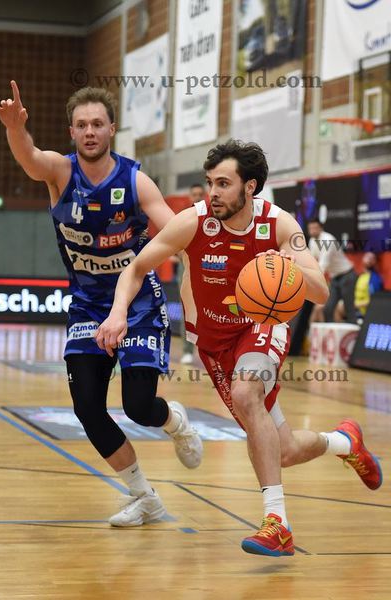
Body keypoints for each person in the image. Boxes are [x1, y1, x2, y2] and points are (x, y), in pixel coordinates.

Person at [96, 139, 382, 556]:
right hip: (213, 344)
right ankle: (344, 442)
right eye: (210, 182)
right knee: (283, 451)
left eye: (223, 184)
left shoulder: (279, 225)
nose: (212, 192)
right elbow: (136, 268)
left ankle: (277, 524)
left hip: (261, 325)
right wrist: (118, 312)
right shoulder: (192, 222)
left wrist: (288, 270)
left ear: (250, 187)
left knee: (247, 393)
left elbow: (320, 291)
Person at [0, 81, 203, 527]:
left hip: (139, 302)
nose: (89, 131)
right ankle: (144, 497)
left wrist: (195, 290)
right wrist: (14, 128)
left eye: (97, 124)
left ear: (112, 129)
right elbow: (30, 158)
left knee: (138, 406)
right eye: (81, 125)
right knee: (87, 407)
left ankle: (175, 422)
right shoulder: (60, 172)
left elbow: (179, 237)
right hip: (88, 306)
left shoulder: (135, 180)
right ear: (71, 131)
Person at [307, 219, 357, 323]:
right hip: (334, 278)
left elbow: (323, 265)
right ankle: (332, 332)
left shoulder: (328, 240)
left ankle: (354, 333)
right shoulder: (312, 241)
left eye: (315, 228)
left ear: (321, 228)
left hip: (347, 275)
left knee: (349, 309)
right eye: (310, 228)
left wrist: (309, 280)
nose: (312, 230)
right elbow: (312, 261)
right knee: (327, 309)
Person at [179, 183, 206, 365]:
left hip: (209, 266)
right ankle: (187, 350)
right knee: (187, 309)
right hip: (187, 267)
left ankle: (211, 351)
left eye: (199, 194)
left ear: (204, 195)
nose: (197, 197)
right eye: (194, 194)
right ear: (190, 196)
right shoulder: (184, 217)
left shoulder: (213, 216)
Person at [354, 251, 383, 320]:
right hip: (354, 308)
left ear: (375, 262)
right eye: (367, 257)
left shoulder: (375, 279)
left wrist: (356, 305)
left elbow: (375, 300)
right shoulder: (359, 276)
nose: (369, 259)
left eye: (372, 258)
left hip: (365, 312)